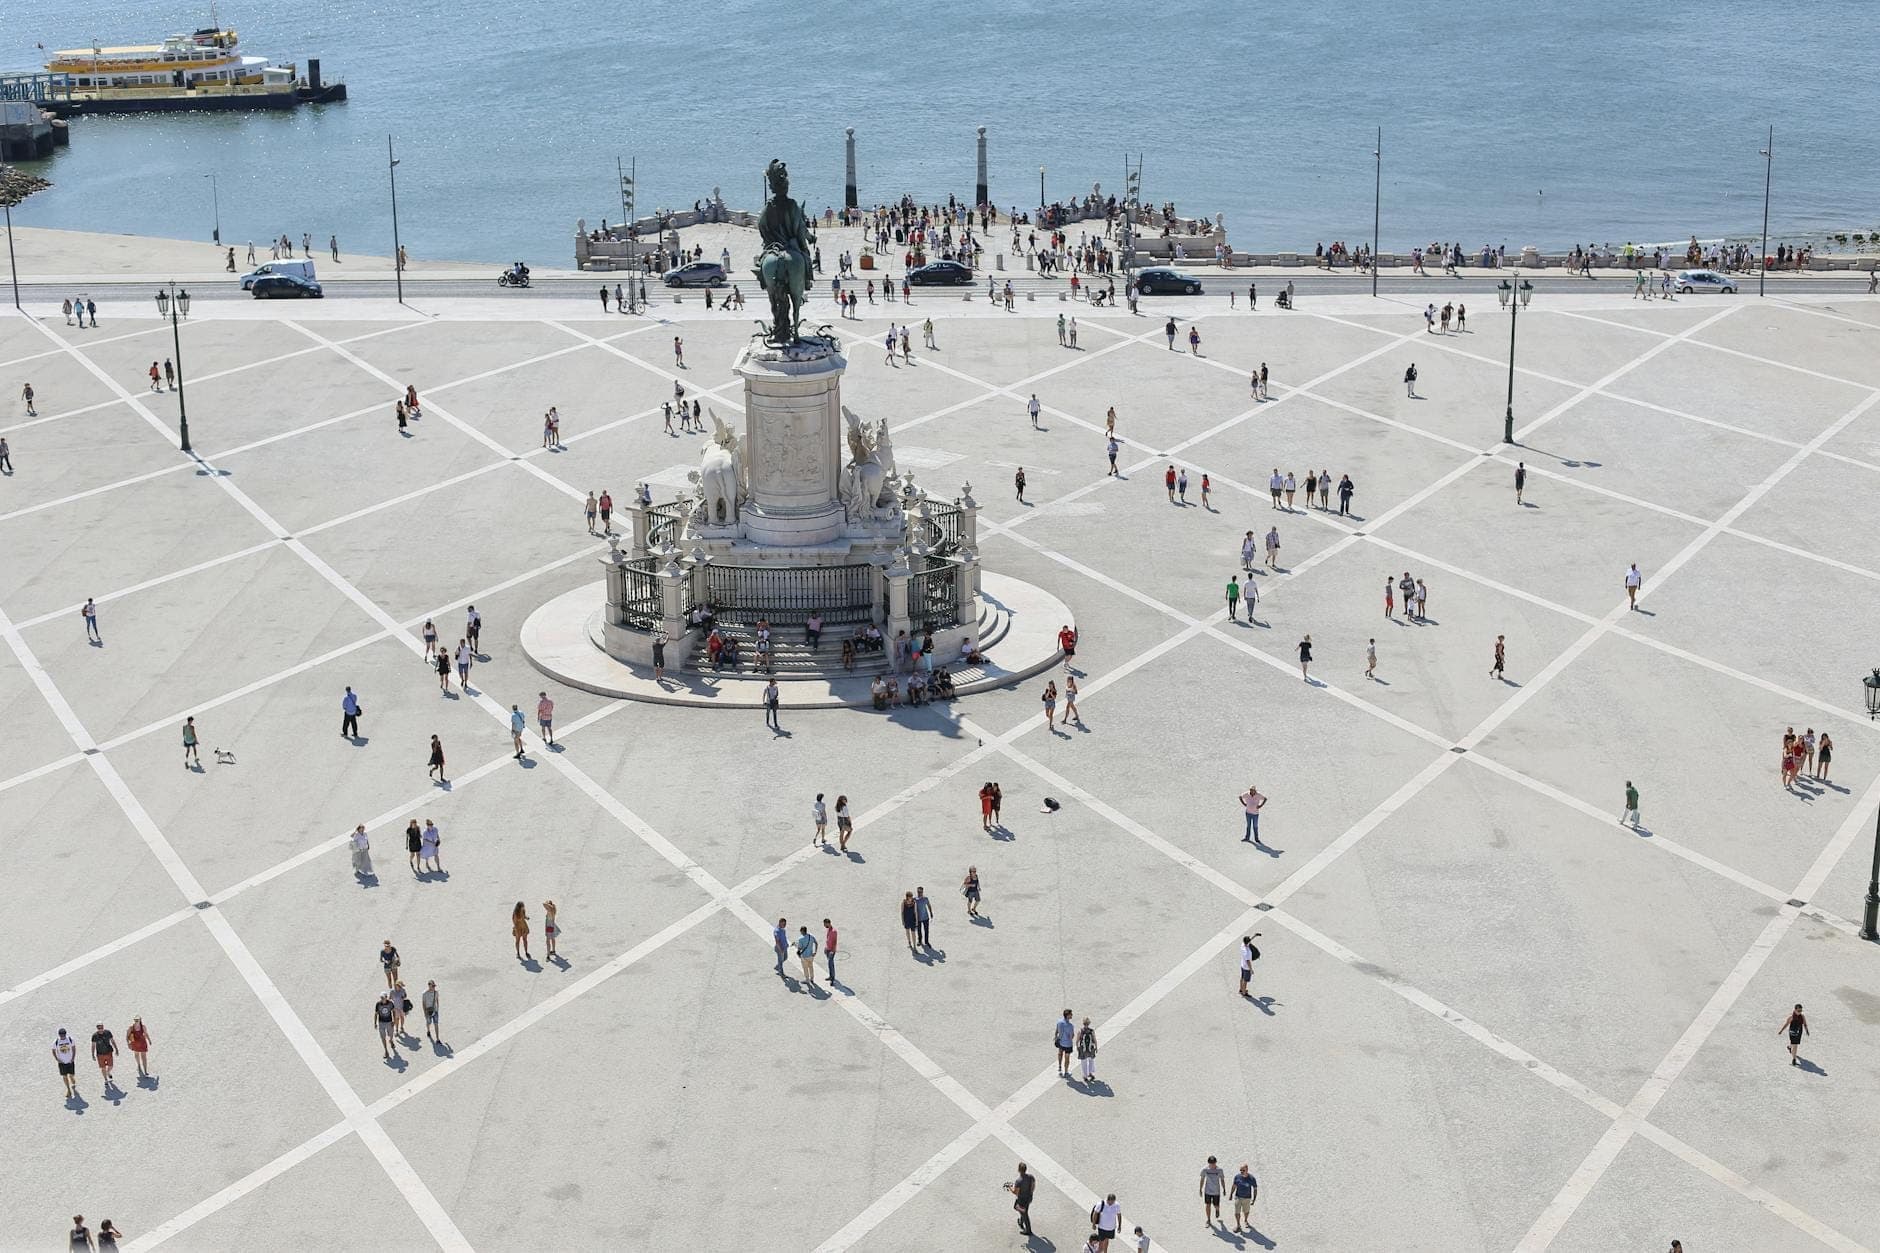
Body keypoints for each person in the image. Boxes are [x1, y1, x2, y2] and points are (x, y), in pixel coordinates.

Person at [1007, 1163, 1036, 1236]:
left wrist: (1010, 1187)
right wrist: (1030, 1194)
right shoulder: (1031, 1177)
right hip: (1029, 1198)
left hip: (1021, 1200)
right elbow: (1033, 1187)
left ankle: (1028, 1230)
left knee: (1022, 1212)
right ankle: (1020, 1221)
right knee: (1024, 1210)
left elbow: (1015, 1192)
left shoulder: (1019, 1181)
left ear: (1019, 1170)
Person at [1230, 1165, 1258, 1234]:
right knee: (1237, 1212)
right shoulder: (1237, 1177)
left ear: (1247, 1170)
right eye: (1241, 1170)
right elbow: (1234, 1186)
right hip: (1238, 1197)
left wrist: (1254, 1199)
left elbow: (1255, 1189)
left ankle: (1245, 1220)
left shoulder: (1252, 1178)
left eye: (1243, 1170)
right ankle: (1238, 1225)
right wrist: (1231, 1194)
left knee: (1246, 1211)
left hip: (1247, 1198)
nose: (1242, 1172)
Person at [1200, 1156, 1227, 1228]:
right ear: (1208, 1163)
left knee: (1216, 1205)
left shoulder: (1220, 1170)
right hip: (1207, 1191)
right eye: (1211, 1163)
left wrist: (1224, 1189)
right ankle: (1208, 1220)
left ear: (1216, 1162)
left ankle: (1217, 1210)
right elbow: (1202, 1179)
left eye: (1213, 1163)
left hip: (1216, 1192)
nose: (1212, 1165)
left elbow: (1222, 1180)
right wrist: (1200, 1189)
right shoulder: (1205, 1170)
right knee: (1208, 1205)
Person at [53, 1028, 78, 1098]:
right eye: (61, 1035)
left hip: (70, 1061)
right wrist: (57, 1059)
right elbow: (53, 1050)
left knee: (72, 1074)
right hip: (62, 1062)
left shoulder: (70, 1039)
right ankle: (68, 1089)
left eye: (63, 1035)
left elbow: (73, 1048)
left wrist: (73, 1058)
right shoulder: (56, 1041)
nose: (62, 1037)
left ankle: (72, 1078)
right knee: (64, 1076)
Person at [91, 1022, 117, 1087]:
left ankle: (108, 1072)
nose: (100, 1029)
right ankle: (105, 1080)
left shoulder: (108, 1033)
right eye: (99, 1028)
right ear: (97, 1028)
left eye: (101, 1027)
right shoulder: (94, 1036)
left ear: (103, 1027)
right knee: (103, 1068)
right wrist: (92, 1054)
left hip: (108, 1052)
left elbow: (112, 1041)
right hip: (100, 1054)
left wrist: (116, 1049)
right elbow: (93, 1045)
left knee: (110, 1066)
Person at [1075, 1017, 1099, 1082]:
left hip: (1083, 1049)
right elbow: (1094, 1039)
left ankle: (1085, 1076)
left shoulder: (1080, 1031)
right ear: (1089, 1023)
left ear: (1083, 1023)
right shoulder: (1092, 1031)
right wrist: (1096, 1047)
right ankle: (1090, 1073)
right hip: (1091, 1048)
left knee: (1084, 1062)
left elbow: (1077, 1041)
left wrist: (1077, 1047)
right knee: (1091, 1061)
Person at [1054, 1009, 1076, 1077]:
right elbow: (1071, 1036)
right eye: (1071, 1014)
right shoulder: (1070, 1026)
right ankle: (1066, 1072)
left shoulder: (1059, 1022)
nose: (1072, 1015)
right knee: (1067, 1058)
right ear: (1067, 1016)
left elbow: (1056, 1031)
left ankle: (1060, 1067)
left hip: (1060, 1042)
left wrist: (1056, 1037)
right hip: (1067, 1044)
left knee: (1060, 1053)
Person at [822, 918, 838, 983]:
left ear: (828, 923)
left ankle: (832, 978)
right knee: (829, 964)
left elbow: (834, 941)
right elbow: (828, 939)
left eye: (825, 924)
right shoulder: (828, 929)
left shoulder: (834, 931)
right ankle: (831, 976)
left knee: (831, 964)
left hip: (831, 950)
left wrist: (832, 951)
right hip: (828, 949)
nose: (824, 925)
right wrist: (826, 947)